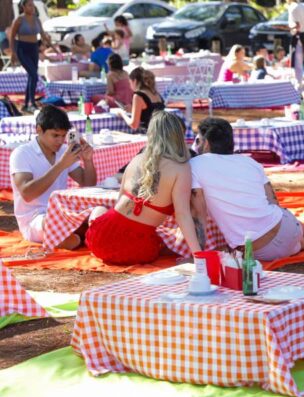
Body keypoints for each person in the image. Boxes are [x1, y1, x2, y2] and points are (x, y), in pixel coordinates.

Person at [189, 118, 304, 260]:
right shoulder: (250, 162)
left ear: (206, 143)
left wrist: (198, 257)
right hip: (288, 225)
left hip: (261, 248)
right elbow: (273, 203)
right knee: (289, 237)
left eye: (198, 140)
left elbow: (198, 217)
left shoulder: (195, 165)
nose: (195, 145)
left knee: (291, 245)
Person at [86, 112, 201, 264]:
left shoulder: (136, 159)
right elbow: (183, 215)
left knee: (99, 210)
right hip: (136, 248)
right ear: (178, 135)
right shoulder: (181, 168)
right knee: (162, 245)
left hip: (99, 239)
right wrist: (198, 255)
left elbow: (119, 201)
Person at [10, 106, 97, 248]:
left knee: (97, 214)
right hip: (34, 219)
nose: (60, 141)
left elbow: (88, 184)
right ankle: (71, 236)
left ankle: (70, 236)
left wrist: (88, 161)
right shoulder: (21, 153)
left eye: (63, 136)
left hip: (62, 212)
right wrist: (61, 165)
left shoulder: (63, 150)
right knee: (49, 222)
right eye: (55, 135)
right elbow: (27, 194)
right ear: (39, 130)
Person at [9, 0, 59, 112]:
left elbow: (43, 35)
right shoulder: (19, 20)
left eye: (33, 5)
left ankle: (26, 104)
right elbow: (12, 36)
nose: (32, 7)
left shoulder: (37, 20)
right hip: (22, 48)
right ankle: (32, 103)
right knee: (34, 74)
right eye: (29, 5)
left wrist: (55, 48)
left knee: (32, 77)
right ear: (23, 6)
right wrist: (13, 53)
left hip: (33, 48)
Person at [115, 67, 165, 133]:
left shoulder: (138, 95)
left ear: (134, 81)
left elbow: (134, 125)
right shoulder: (157, 94)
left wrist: (122, 114)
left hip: (147, 134)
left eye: (130, 83)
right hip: (161, 133)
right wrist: (133, 110)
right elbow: (150, 111)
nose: (130, 86)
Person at [286, 0, 304, 89]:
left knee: (298, 65)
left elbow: (297, 26)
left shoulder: (293, 7)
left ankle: (299, 87)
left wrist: (285, 27)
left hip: (298, 37)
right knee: (303, 63)